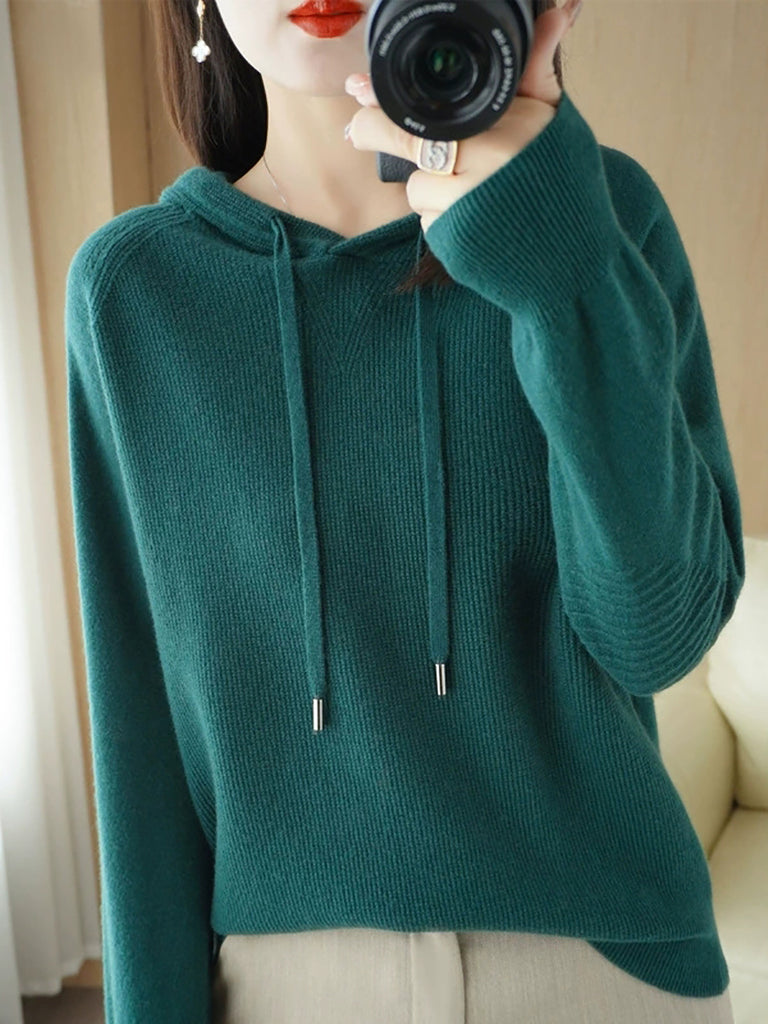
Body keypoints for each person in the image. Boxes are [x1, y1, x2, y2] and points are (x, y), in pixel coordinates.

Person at [64, 0, 745, 1020]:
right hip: (290, 984)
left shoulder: (599, 216)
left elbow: (661, 633)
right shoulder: (136, 290)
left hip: (602, 970)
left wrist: (556, 269)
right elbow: (140, 745)